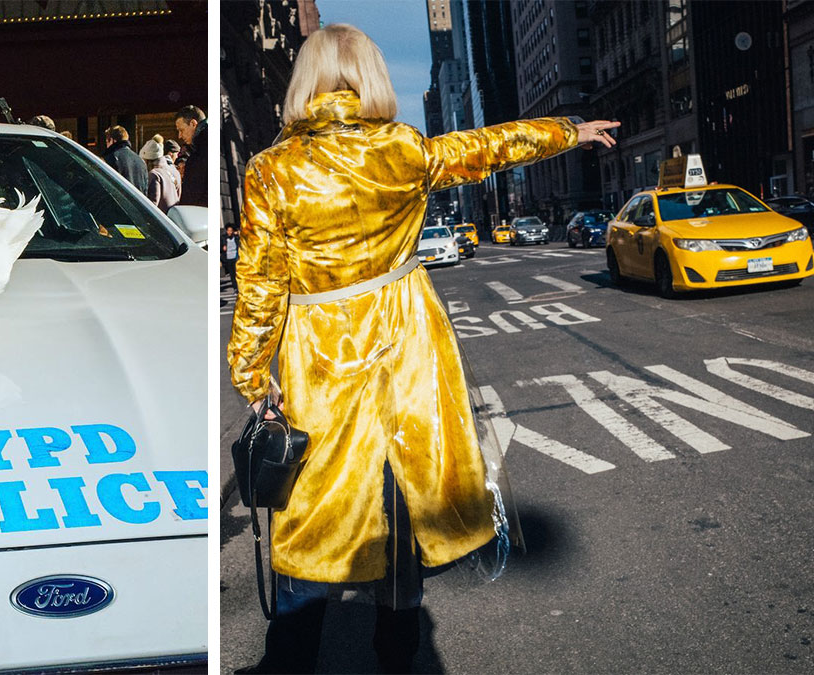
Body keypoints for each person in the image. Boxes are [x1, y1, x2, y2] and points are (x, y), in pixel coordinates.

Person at [226, 24, 618, 674]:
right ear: (372, 77)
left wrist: (250, 373)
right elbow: (482, 149)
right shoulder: (402, 149)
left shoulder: (272, 171)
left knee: (314, 517)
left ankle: (291, 655)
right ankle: (398, 655)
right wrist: (566, 130)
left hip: (321, 363)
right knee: (401, 508)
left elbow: (260, 284)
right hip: (407, 350)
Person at [175, 105, 207, 206]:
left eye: (181, 130)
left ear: (193, 124)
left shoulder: (203, 150)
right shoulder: (200, 147)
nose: (179, 136)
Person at [102, 125, 148, 194]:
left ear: (112, 140)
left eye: (107, 142)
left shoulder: (110, 159)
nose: (107, 146)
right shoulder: (141, 160)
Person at [140, 136, 181, 210]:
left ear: (147, 160)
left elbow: (152, 204)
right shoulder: (174, 171)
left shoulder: (154, 175)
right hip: (173, 216)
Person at [221, 224, 239, 292]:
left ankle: (239, 286)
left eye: (231, 230)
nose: (230, 232)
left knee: (237, 273)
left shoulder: (236, 237)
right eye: (228, 230)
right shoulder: (223, 238)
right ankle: (235, 288)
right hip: (228, 258)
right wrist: (223, 248)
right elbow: (220, 248)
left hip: (235, 257)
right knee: (232, 274)